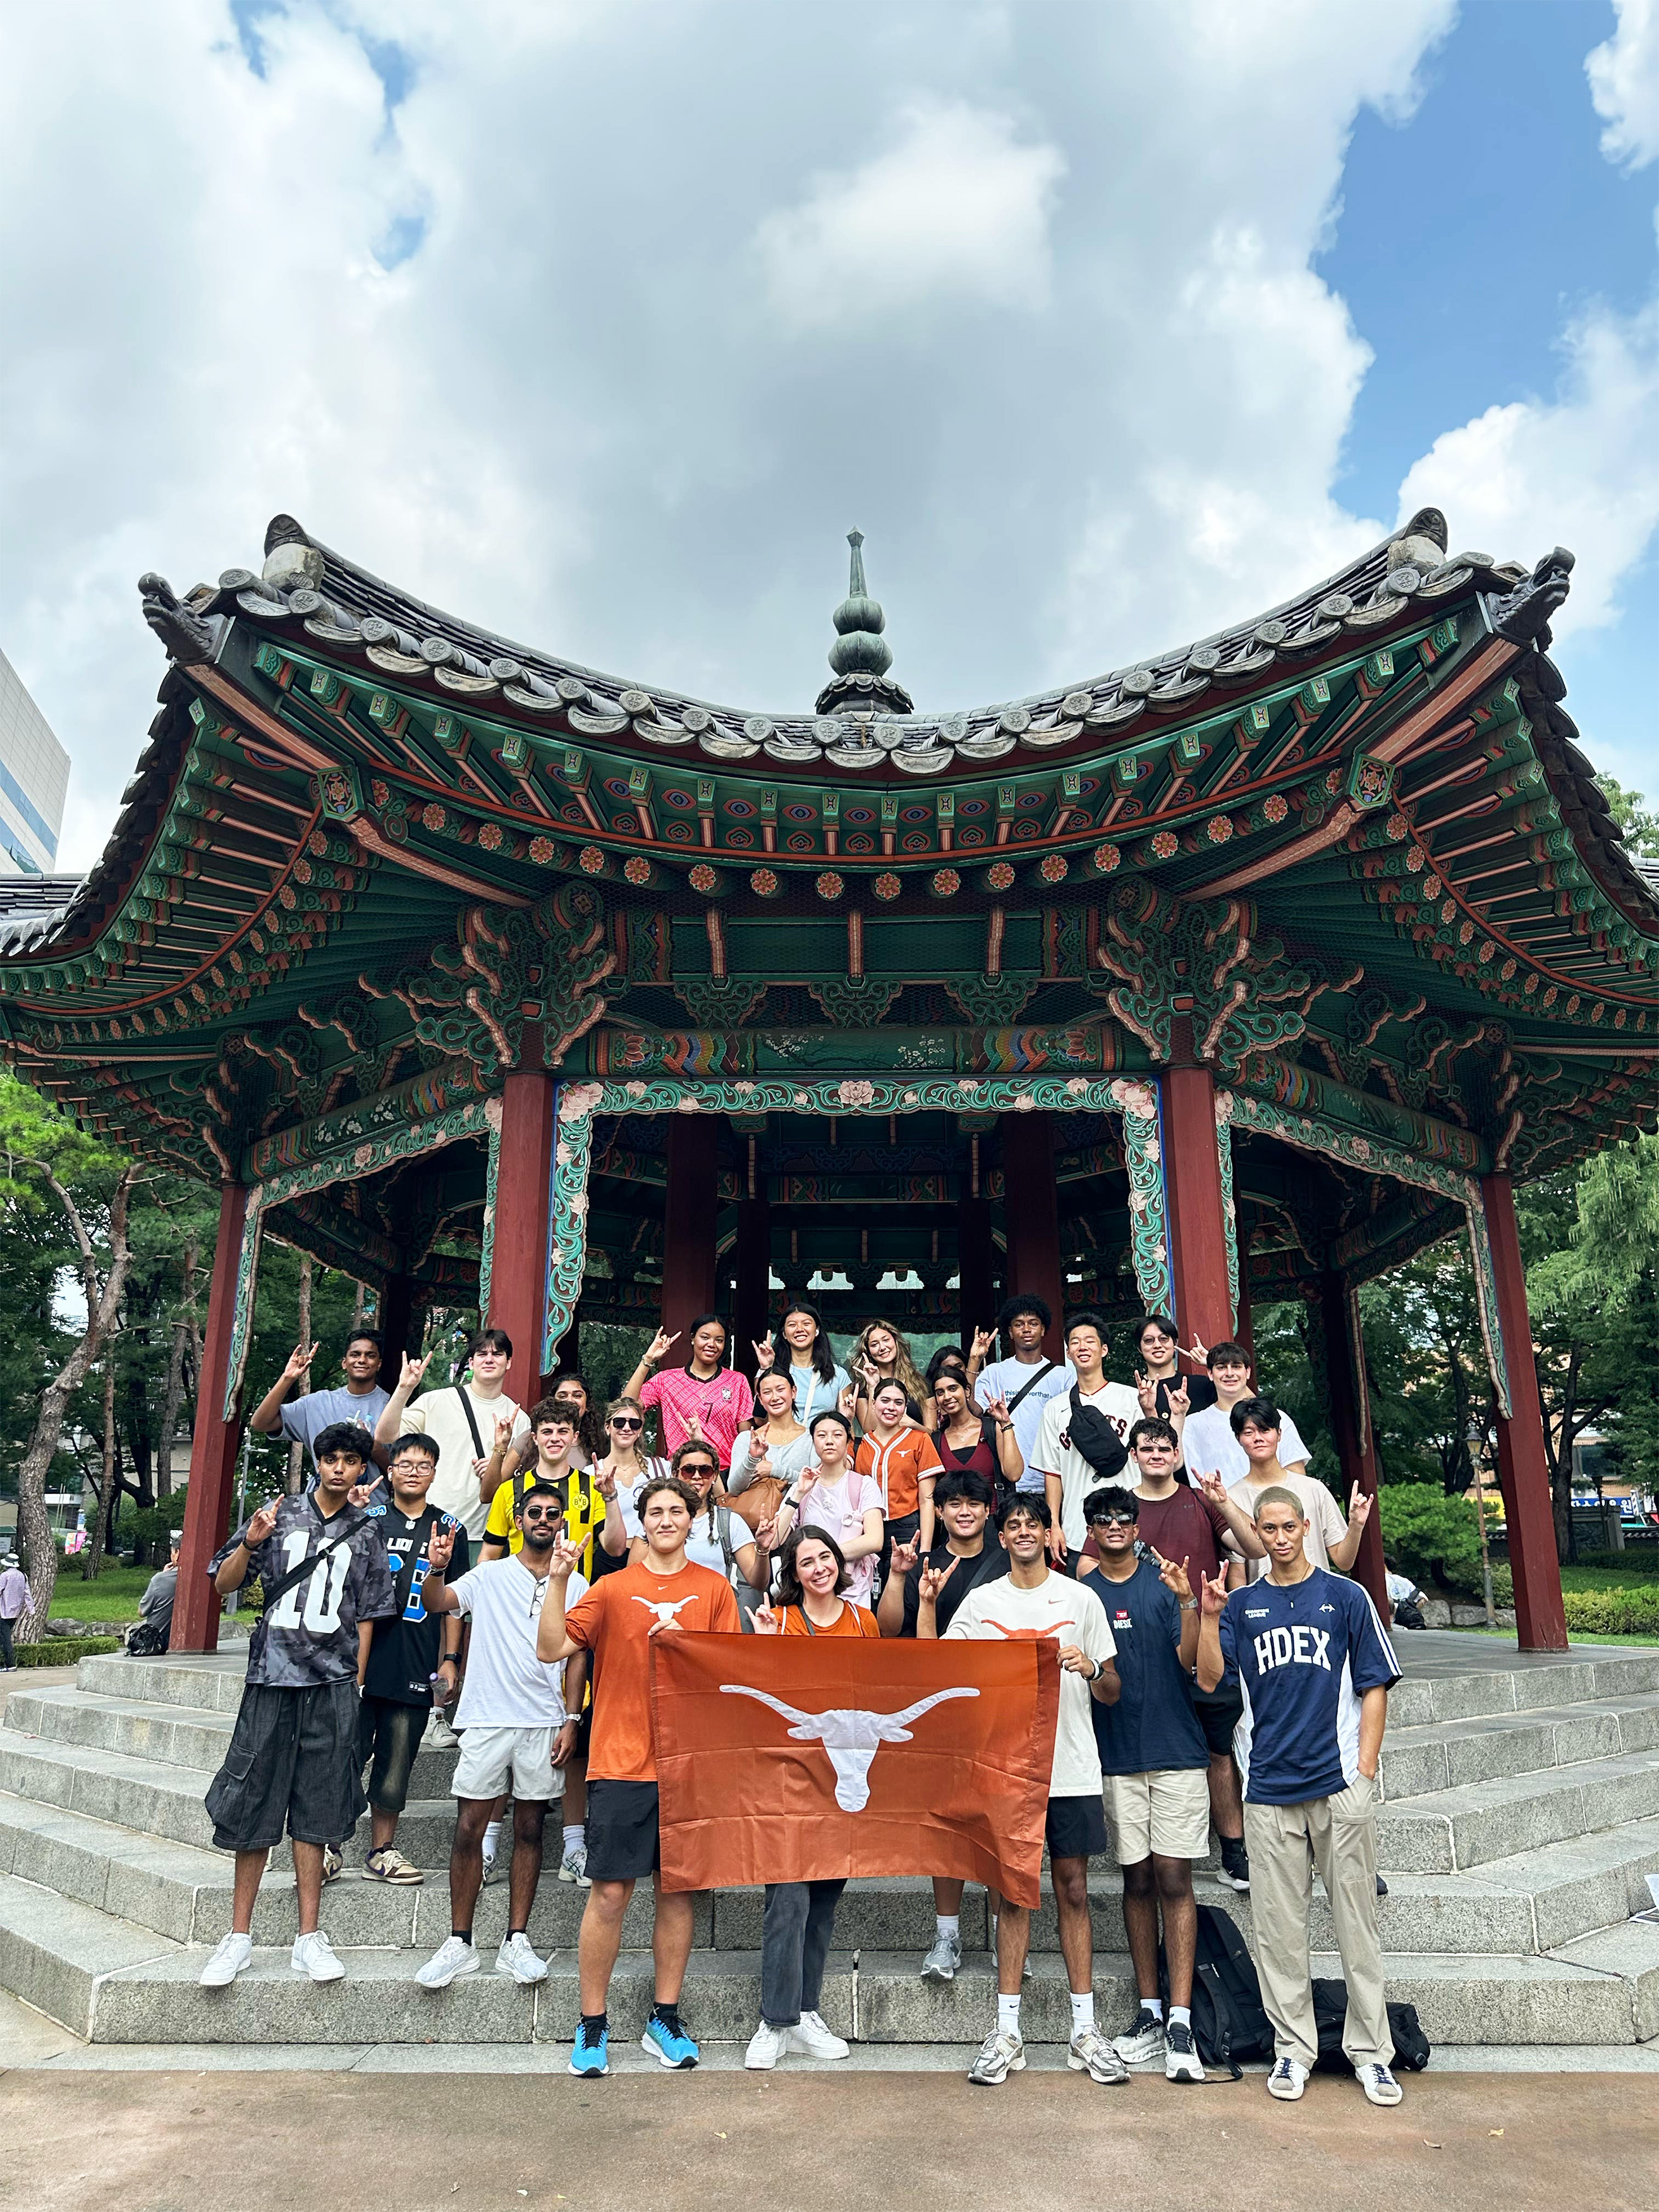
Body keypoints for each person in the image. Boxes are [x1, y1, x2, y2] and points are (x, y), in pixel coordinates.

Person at [1197, 1485, 1405, 2107]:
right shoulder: (1242, 1605)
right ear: (1257, 1531)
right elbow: (1211, 1677)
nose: (1282, 1537)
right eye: (1270, 1528)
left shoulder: (1346, 1596)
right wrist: (1209, 1615)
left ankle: (1373, 2053)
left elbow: (1375, 1685)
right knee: (1279, 1930)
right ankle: (1293, 2049)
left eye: (1291, 1525)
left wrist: (1363, 1772)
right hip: (1267, 1787)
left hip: (1337, 1783)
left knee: (1356, 1927)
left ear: (1306, 1526)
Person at [537, 1475, 743, 2076]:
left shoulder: (714, 1589)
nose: (665, 1520)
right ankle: (592, 2024)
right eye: (654, 1511)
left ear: (693, 1518)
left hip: (688, 1762)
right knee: (609, 1893)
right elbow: (551, 1648)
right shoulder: (611, 1587)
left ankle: (664, 2016)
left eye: (676, 1510)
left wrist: (686, 1647)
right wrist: (556, 1579)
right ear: (642, 1520)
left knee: (678, 1891)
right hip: (620, 1761)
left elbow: (732, 1675)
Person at [924, 1494, 1127, 2088]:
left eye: (1031, 1524)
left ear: (1046, 1533)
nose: (1020, 1533)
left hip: (1070, 1767)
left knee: (1073, 1890)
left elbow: (1114, 1688)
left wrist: (1089, 1667)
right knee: (1013, 1893)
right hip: (1005, 1770)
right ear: (1002, 1535)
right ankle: (1007, 2031)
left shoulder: (1080, 1598)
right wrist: (930, 1605)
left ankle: (1084, 2030)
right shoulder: (982, 1602)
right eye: (1011, 1524)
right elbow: (944, 1672)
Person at [197, 1423, 395, 1988]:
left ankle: (309, 1936)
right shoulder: (277, 1514)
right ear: (317, 1461)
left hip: (331, 1684)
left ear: (363, 1470)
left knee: (318, 1807)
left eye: (349, 1461)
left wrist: (354, 1684)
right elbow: (222, 1583)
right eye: (329, 1458)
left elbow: (369, 1615)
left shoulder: (365, 1529)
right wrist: (252, 1541)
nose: (338, 1469)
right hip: (270, 1678)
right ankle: (238, 1937)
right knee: (252, 1801)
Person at [413, 1481, 585, 1990]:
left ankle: (517, 1939)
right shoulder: (488, 1574)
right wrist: (438, 1565)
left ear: (562, 1521)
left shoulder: (574, 1582)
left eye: (553, 1513)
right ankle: (459, 1941)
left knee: (531, 1829)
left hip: (543, 1720)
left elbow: (577, 1656)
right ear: (517, 1518)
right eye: (534, 1511)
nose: (543, 1519)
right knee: (469, 1827)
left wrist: (571, 1718)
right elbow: (439, 1600)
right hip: (487, 1717)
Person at [1079, 1416, 1260, 1894]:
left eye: (1165, 1447)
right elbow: (1085, 1570)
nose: (1157, 1454)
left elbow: (1253, 1546)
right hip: (1139, 1642)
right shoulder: (1116, 1511)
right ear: (1133, 1454)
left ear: (1177, 1455)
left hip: (1204, 1631)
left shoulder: (1199, 1501)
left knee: (1218, 1747)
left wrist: (1223, 1500)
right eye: (1147, 1447)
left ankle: (1233, 1849)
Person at [1081, 1485, 1208, 2082]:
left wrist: (1189, 1604)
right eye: (1102, 1518)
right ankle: (1149, 2011)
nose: (1113, 1525)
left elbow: (1191, 1665)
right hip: (1114, 1753)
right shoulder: (1080, 1596)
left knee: (1174, 1876)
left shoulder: (1165, 1583)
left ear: (1136, 1526)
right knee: (1135, 1877)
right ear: (1089, 1528)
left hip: (1176, 1748)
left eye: (1122, 1517)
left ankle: (1180, 2017)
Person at [480, 1402, 628, 1886]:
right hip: (513, 1616)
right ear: (535, 1435)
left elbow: (613, 1548)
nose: (554, 1437)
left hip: (573, 1613)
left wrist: (613, 1498)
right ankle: (487, 1842)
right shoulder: (510, 1489)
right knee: (508, 1721)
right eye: (546, 1430)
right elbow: (491, 1551)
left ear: (573, 1434)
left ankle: (572, 1846)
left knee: (575, 1730)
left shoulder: (591, 1485)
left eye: (563, 1429)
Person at [740, 1526, 871, 2069]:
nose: (817, 1567)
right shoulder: (783, 1619)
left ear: (839, 1563)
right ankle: (776, 2021)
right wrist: (769, 1642)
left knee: (822, 1902)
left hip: (843, 1780)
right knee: (787, 1899)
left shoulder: (863, 1620)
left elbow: (876, 1691)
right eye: (805, 1561)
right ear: (792, 1573)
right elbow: (767, 1695)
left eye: (824, 1557)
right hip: (792, 1779)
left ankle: (807, 2011)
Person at [877, 1469, 1010, 1982]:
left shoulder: (1008, 1560)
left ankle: (1005, 1931)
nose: (963, 1512)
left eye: (972, 1504)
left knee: (998, 1826)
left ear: (986, 1510)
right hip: (939, 1710)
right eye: (952, 1504)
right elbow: (891, 1630)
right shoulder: (920, 1563)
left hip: (999, 1707)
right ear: (940, 1512)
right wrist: (898, 1577)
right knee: (946, 1824)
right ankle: (947, 1934)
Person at [356, 1433, 469, 1884]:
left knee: (397, 1758)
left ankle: (381, 1850)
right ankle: (326, 1844)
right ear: (390, 1470)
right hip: (362, 1657)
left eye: (424, 1465)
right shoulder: (368, 1519)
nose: (413, 1471)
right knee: (346, 1751)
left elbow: (455, 1603)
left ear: (435, 1472)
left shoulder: (449, 1527)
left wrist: (450, 1658)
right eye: (404, 1463)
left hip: (416, 1656)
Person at [373, 1330, 531, 1543]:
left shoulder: (519, 1419)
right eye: (482, 1354)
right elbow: (384, 1435)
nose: (489, 1359)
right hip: (429, 1525)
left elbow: (513, 1482)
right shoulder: (437, 1401)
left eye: (497, 1354)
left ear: (509, 1362)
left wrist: (495, 1464)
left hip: (480, 1534)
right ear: (472, 1362)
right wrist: (405, 1388)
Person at [1029, 1312, 1139, 1567]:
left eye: (1090, 1341)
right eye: (1075, 1342)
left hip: (1126, 1522)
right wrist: (1054, 1525)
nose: (1082, 1346)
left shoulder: (1131, 1399)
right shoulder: (1055, 1408)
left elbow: (1150, 1459)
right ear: (1069, 1353)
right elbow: (1052, 1472)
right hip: (1077, 1528)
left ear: (1104, 1349)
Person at [1224, 1399, 1372, 1578]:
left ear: (1279, 1434)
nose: (1258, 1438)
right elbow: (1237, 1572)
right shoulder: (1230, 1499)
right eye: (1249, 1432)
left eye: (1265, 1430)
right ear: (1238, 1438)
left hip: (1319, 1600)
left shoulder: (1314, 1489)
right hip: (1266, 1602)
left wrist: (1356, 1525)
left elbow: (1344, 1561)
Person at [624, 1437, 774, 1608]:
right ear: (675, 1474)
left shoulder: (729, 1521)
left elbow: (758, 1582)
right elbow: (632, 1580)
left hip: (711, 1616)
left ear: (715, 1476)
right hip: (661, 1612)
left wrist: (762, 1550)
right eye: (689, 1470)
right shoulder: (656, 1520)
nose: (697, 1477)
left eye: (705, 1471)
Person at [777, 1410, 884, 1608]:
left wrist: (825, 1557)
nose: (829, 1441)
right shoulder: (802, 1486)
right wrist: (798, 1494)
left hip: (853, 1590)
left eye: (837, 1435)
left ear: (849, 1441)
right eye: (821, 1435)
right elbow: (776, 1538)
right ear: (813, 1442)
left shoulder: (864, 1485)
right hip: (811, 1590)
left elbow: (875, 1540)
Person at [969, 1294, 1075, 1495]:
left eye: (1033, 1323)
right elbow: (972, 1409)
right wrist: (975, 1359)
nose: (1026, 1329)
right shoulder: (995, 1372)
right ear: (1010, 1332)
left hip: (1053, 1481)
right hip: (1011, 1481)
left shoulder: (1063, 1376)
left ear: (1043, 1329)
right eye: (1019, 1325)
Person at [248, 1327, 391, 1471]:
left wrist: (371, 1446)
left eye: (370, 1356)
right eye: (355, 1355)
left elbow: (400, 1471)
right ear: (344, 1363)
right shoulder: (316, 1404)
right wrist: (288, 1378)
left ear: (379, 1364)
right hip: (320, 1493)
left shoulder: (392, 1408)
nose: (362, 1360)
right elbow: (260, 1424)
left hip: (372, 1494)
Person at [624, 1314, 755, 1468]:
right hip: (682, 1472)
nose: (712, 1344)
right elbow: (627, 1406)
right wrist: (648, 1359)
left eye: (719, 1340)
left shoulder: (737, 1381)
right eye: (705, 1337)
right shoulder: (667, 1380)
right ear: (693, 1338)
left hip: (725, 1473)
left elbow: (745, 1437)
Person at [1179, 1342, 1312, 1487]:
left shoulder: (1276, 1417)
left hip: (1274, 1506)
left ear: (1248, 1372)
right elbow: (1191, 1476)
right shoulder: (1192, 1424)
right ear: (1210, 1373)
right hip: (1217, 1507)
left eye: (1236, 1366)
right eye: (1221, 1367)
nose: (1229, 1373)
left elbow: (1297, 1476)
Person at [856, 1378, 942, 1560]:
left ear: (905, 1408)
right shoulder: (863, 1444)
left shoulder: (920, 1440)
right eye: (885, 1401)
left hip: (907, 1528)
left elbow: (927, 1501)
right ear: (873, 1404)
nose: (891, 1407)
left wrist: (925, 1549)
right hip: (867, 1530)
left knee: (903, 1585)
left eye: (898, 1402)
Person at [931, 1364, 1023, 1511]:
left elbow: (1014, 1474)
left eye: (953, 1389)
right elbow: (933, 1497)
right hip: (954, 1527)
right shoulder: (936, 1440)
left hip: (993, 1522)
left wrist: (1006, 1423)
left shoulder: (992, 1428)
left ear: (967, 1391)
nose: (947, 1397)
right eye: (940, 1393)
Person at [754, 1299, 851, 1430]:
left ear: (816, 1330)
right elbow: (760, 1420)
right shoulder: (771, 1372)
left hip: (822, 1447)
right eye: (792, 1325)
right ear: (784, 1334)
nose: (800, 1329)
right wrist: (766, 1368)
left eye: (806, 1324)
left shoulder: (838, 1375)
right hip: (783, 1446)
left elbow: (846, 1424)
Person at [726, 1368, 813, 1496]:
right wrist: (752, 1458)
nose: (775, 1397)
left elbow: (816, 1484)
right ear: (760, 1399)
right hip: (755, 1513)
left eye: (781, 1390)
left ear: (793, 1392)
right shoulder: (747, 1438)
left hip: (800, 1514)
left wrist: (774, 1470)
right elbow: (734, 1489)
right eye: (767, 1392)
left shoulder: (811, 1438)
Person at [1129, 1313, 1217, 1425]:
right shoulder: (1132, 1392)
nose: (1157, 1345)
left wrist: (1212, 1364)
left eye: (1164, 1339)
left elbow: (1243, 1402)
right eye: (1149, 1340)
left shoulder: (1200, 1385)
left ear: (1175, 1343)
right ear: (1139, 1348)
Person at [849, 1320, 933, 1433]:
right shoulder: (863, 1386)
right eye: (874, 1345)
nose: (882, 1347)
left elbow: (933, 1435)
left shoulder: (921, 1383)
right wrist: (873, 1387)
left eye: (886, 1340)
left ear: (896, 1342)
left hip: (916, 1449)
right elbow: (869, 1433)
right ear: (869, 1352)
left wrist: (912, 1424)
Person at [125, 1535, 181, 1655]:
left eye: (172, 1552)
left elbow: (142, 1612)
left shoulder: (160, 1579)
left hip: (157, 1642)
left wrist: (163, 1575)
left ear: (177, 1553)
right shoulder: (202, 1579)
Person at [0, 1552, 27, 1670]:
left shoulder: (5, 1576)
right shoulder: (23, 1576)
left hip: (4, 1612)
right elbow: (27, 1593)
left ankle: (10, 1664)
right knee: (4, 1636)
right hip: (16, 1612)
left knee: (5, 1638)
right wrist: (32, 1610)